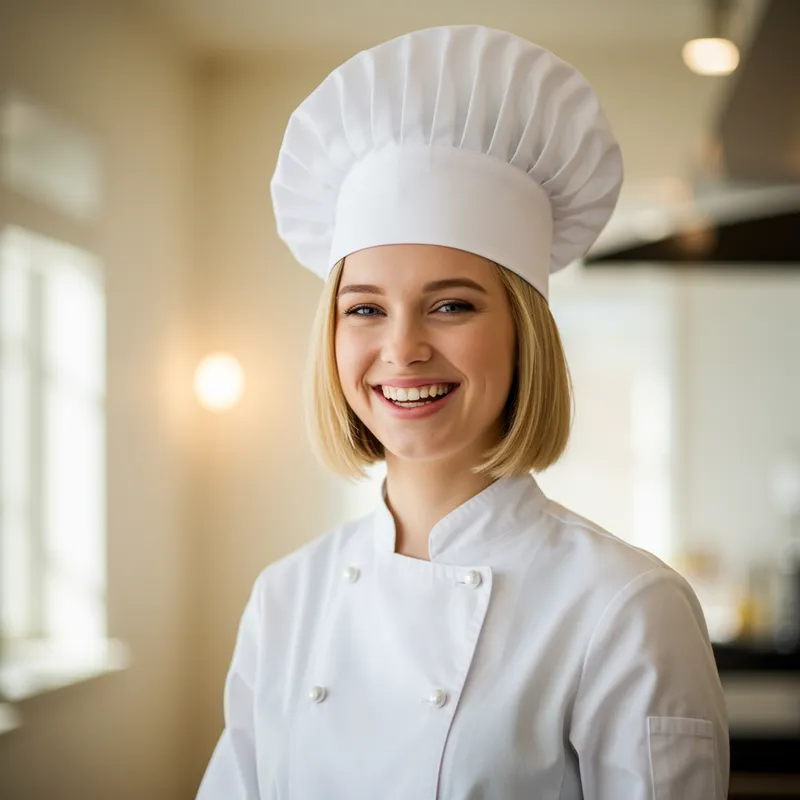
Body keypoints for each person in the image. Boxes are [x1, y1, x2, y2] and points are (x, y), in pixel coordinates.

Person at [196, 24, 729, 799]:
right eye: (366, 309)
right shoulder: (286, 597)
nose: (402, 348)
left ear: (524, 332)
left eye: (451, 305)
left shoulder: (625, 608)